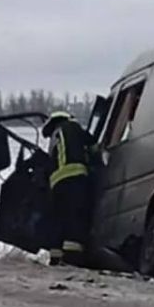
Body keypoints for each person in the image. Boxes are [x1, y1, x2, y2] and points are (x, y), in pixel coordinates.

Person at [41, 111, 98, 267]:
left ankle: (55, 257)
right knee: (75, 218)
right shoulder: (72, 127)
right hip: (75, 179)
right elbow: (94, 146)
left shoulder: (54, 137)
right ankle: (72, 258)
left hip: (56, 184)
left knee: (58, 220)